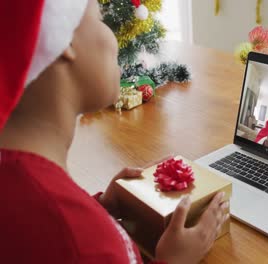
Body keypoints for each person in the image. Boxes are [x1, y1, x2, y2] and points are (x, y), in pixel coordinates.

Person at [0, 1, 228, 263]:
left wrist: (99, 208)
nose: (115, 37)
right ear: (65, 41)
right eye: (99, 19)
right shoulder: (92, 244)